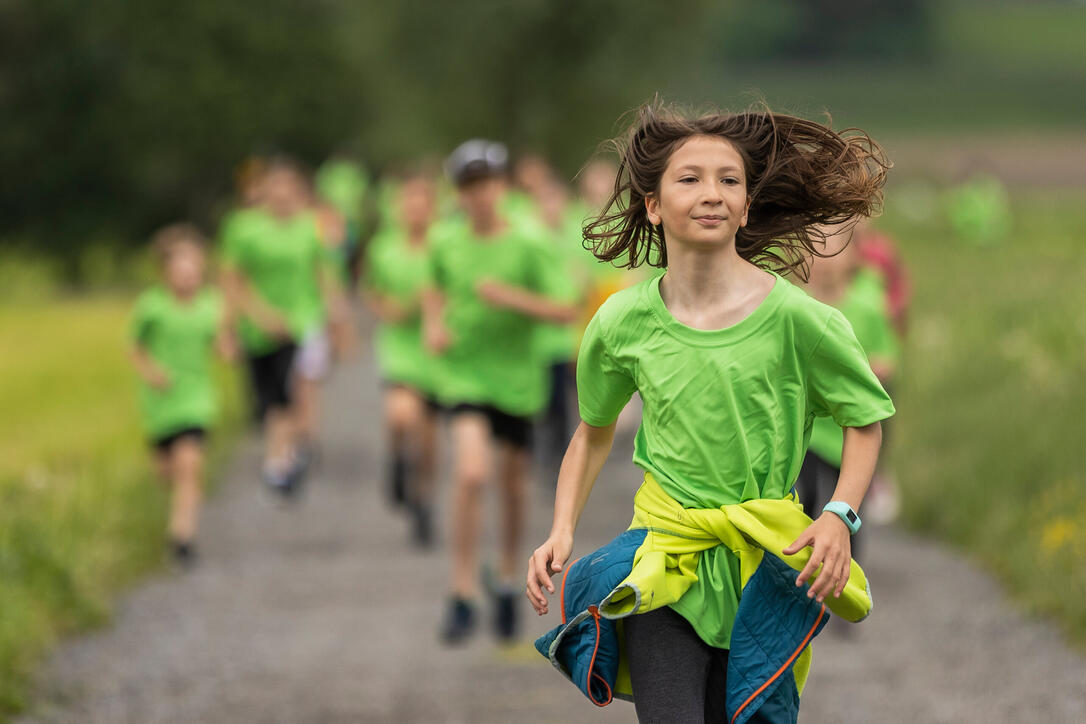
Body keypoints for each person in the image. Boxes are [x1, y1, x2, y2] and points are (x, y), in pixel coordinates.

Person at [526, 103, 895, 723]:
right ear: (653, 204)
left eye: (729, 180)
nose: (712, 194)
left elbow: (865, 421)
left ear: (747, 207)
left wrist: (838, 514)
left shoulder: (801, 320)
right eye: (689, 178)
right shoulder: (621, 321)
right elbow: (591, 436)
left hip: (764, 566)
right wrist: (563, 527)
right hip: (666, 556)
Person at [423, 140, 577, 644]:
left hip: (517, 382)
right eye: (469, 185)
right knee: (470, 472)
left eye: (488, 183)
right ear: (458, 192)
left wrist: (509, 297)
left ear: (503, 186)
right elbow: (435, 287)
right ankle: (462, 591)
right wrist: (434, 324)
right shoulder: (445, 241)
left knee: (512, 488)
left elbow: (565, 309)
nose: (480, 194)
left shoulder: (530, 241)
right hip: (464, 375)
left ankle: (508, 575)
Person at [220, 158, 333, 497]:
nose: (282, 194)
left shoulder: (312, 226)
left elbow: (324, 272)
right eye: (275, 186)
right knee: (269, 398)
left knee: (297, 387)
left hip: (303, 322)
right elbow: (231, 280)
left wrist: (336, 318)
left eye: (289, 186)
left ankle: (286, 457)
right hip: (259, 326)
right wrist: (231, 328)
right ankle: (287, 451)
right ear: (263, 190)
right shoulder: (243, 228)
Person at [131, 224, 232, 565]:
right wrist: (151, 372)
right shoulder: (151, 306)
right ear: (165, 272)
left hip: (197, 398)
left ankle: (182, 537)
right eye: (181, 270)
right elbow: (135, 347)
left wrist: (229, 347)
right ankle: (182, 513)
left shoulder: (212, 305)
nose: (188, 277)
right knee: (167, 472)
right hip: (161, 401)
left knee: (189, 463)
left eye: (194, 270)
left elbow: (222, 345)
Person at [799, 224, 899, 553]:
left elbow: (885, 359)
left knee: (848, 505)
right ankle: (797, 566)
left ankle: (848, 569)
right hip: (808, 429)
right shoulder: (798, 308)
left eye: (835, 248)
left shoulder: (867, 307)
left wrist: (859, 374)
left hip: (850, 430)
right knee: (804, 499)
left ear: (853, 256)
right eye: (816, 247)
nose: (825, 258)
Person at [363, 168, 442, 546]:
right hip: (400, 346)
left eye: (421, 204)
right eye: (408, 204)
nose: (414, 211)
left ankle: (423, 502)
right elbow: (370, 291)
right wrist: (386, 308)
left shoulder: (444, 246)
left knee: (428, 439)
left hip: (437, 350)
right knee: (399, 415)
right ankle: (396, 462)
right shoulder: (384, 247)